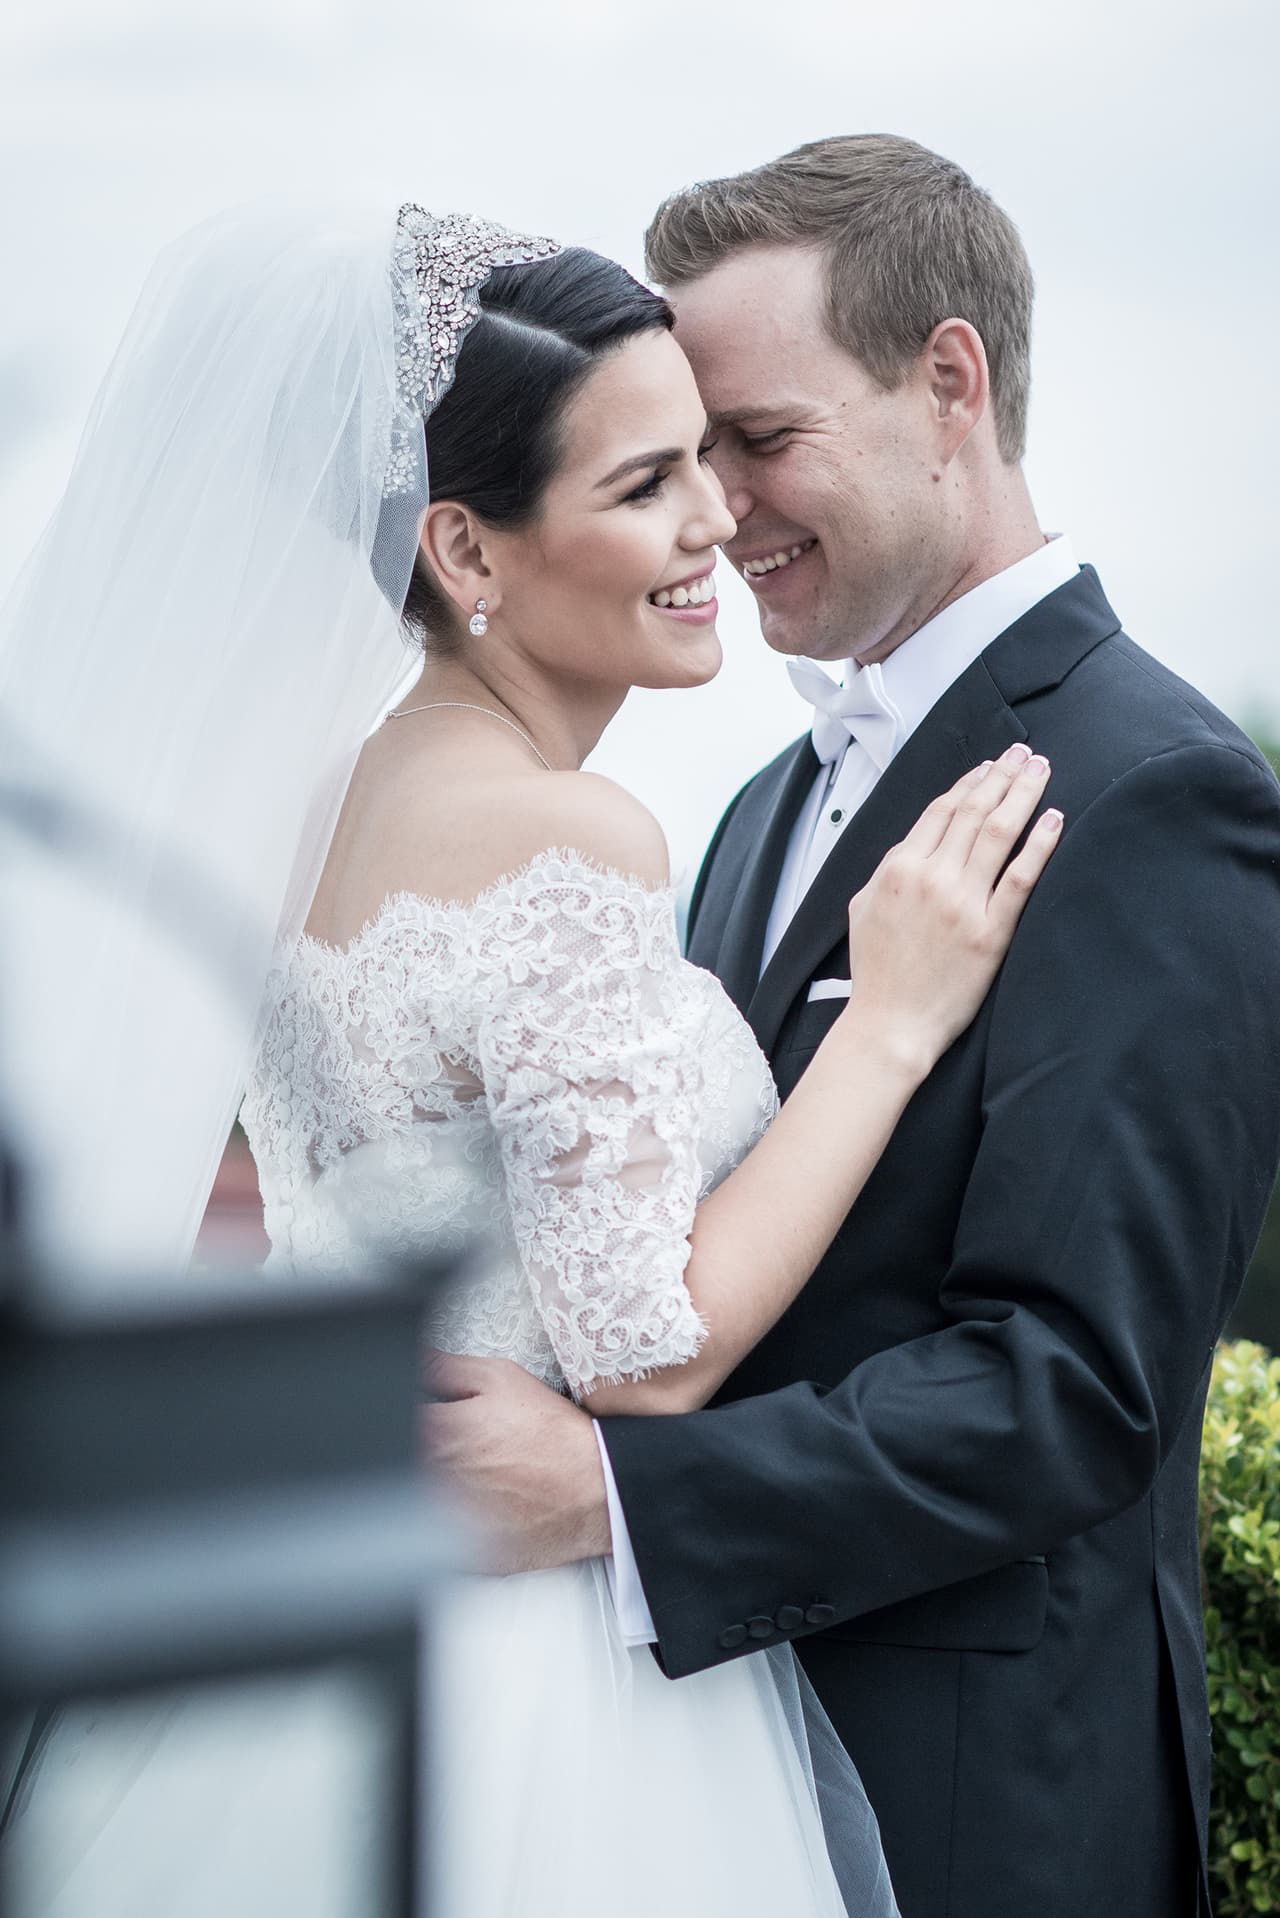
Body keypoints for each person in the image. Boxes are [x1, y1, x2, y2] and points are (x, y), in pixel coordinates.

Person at [0, 199, 1058, 1915]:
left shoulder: (310, 809)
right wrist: (895, 1020)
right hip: (534, 1662)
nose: (716, 515)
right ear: (467, 553)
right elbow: (641, 1355)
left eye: (708, 458)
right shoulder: (569, 833)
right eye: (644, 484)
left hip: (319, 1588)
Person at [424, 137, 1280, 1918]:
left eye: (762, 438)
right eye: (686, 453)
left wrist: (610, 1493)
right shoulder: (751, 808)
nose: (721, 511)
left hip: (970, 1803)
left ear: (947, 384)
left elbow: (1073, 1384)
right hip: (692, 1777)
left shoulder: (1158, 791)